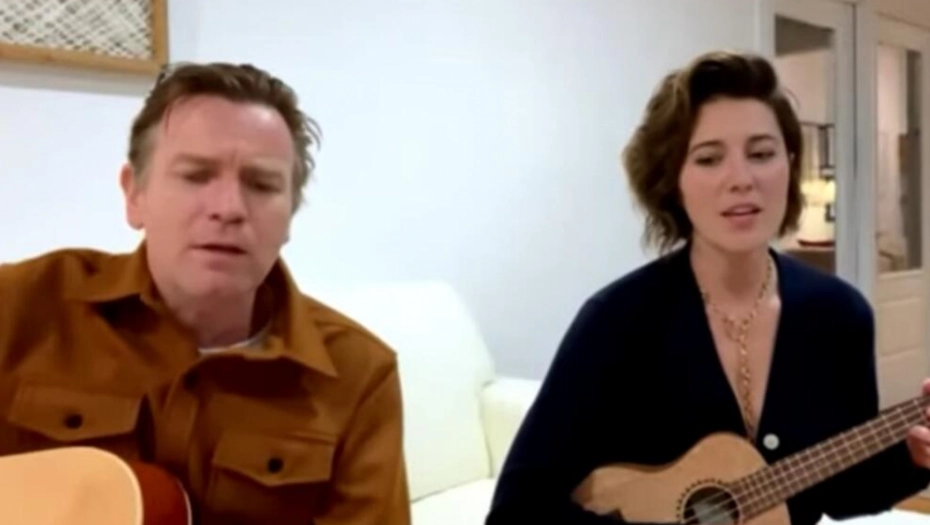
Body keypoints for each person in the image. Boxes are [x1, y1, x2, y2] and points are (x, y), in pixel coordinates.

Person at [485, 50, 930, 525]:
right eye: (709, 159)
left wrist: (916, 457)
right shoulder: (617, 322)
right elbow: (517, 512)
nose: (741, 179)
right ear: (673, 180)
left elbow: (843, 494)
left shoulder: (840, 315)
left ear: (789, 164)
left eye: (761, 154)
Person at [0, 62, 410, 524]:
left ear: (290, 216)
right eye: (196, 175)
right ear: (134, 195)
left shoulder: (359, 374)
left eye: (261, 184)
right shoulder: (18, 307)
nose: (229, 209)